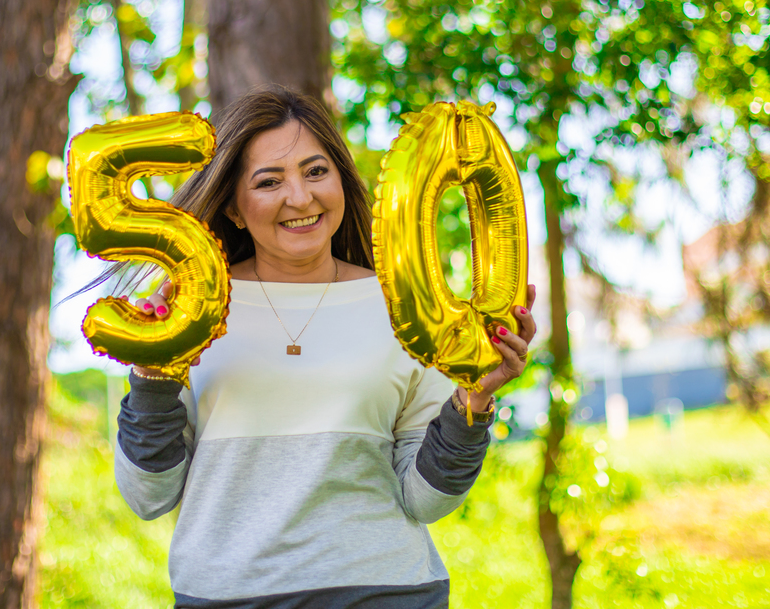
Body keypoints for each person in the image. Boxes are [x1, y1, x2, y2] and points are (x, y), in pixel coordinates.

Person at [113, 86, 536, 608]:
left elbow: (424, 500)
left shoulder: (404, 305)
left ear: (341, 179)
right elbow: (148, 496)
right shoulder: (182, 307)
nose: (301, 197)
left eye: (316, 172)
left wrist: (475, 399)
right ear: (234, 209)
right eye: (269, 181)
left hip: (388, 592)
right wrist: (153, 381)